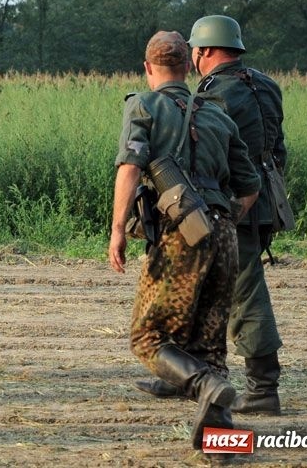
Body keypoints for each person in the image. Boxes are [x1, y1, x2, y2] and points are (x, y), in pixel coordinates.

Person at [108, 31, 260, 450]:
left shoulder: (144, 105)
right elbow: (250, 185)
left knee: (148, 337)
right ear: (189, 66)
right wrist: (222, 218)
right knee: (211, 346)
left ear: (147, 67)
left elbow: (130, 168)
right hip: (222, 233)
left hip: (179, 235)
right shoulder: (217, 114)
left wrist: (118, 229)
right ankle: (221, 446)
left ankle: (202, 387)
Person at [135, 16, 289, 417]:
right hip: (263, 198)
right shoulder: (265, 85)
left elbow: (209, 152)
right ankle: (180, 374)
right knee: (204, 288)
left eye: (195, 52)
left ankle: (262, 387)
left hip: (231, 202)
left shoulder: (216, 93)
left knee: (243, 292)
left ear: (202, 52)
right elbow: (278, 149)